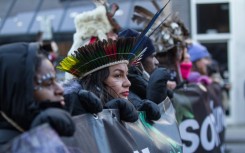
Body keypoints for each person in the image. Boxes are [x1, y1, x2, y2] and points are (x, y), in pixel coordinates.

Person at [0, 42, 75, 146]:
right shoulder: (6, 145)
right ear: (18, 92)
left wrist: (76, 108)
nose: (60, 89)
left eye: (56, 80)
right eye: (48, 82)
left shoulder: (26, 128)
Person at [58, 38, 141, 122]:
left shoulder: (127, 103)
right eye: (118, 75)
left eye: (126, 75)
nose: (128, 83)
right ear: (96, 81)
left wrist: (140, 108)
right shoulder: (77, 109)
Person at [118, 28, 170, 121]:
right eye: (152, 56)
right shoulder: (126, 93)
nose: (157, 62)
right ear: (138, 62)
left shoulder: (140, 87)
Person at [65, 1, 121, 81]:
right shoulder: (85, 47)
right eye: (113, 33)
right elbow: (70, 74)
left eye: (115, 33)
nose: (115, 36)